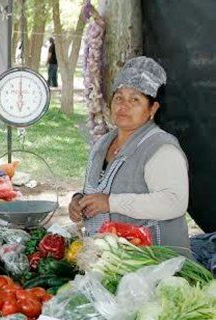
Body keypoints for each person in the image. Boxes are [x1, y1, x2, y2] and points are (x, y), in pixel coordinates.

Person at [68, 56, 189, 250]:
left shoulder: (161, 148)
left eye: (135, 99)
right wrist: (78, 201)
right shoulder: (103, 143)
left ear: (153, 108)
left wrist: (111, 203)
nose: (123, 106)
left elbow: (174, 202)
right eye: (119, 98)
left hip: (154, 263)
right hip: (109, 262)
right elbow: (102, 188)